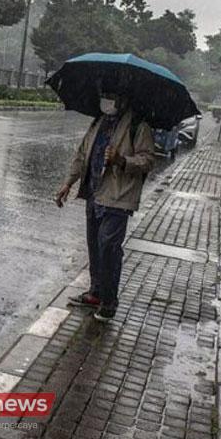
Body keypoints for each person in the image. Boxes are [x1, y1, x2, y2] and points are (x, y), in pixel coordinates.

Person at [55, 91, 155, 321]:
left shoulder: (138, 125)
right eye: (104, 95)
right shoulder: (98, 121)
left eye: (111, 95)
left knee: (109, 247)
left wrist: (122, 160)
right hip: (94, 193)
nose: (106, 100)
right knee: (94, 246)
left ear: (123, 99)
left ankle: (109, 301)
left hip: (119, 196)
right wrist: (68, 183)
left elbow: (149, 159)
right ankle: (96, 292)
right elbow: (82, 155)